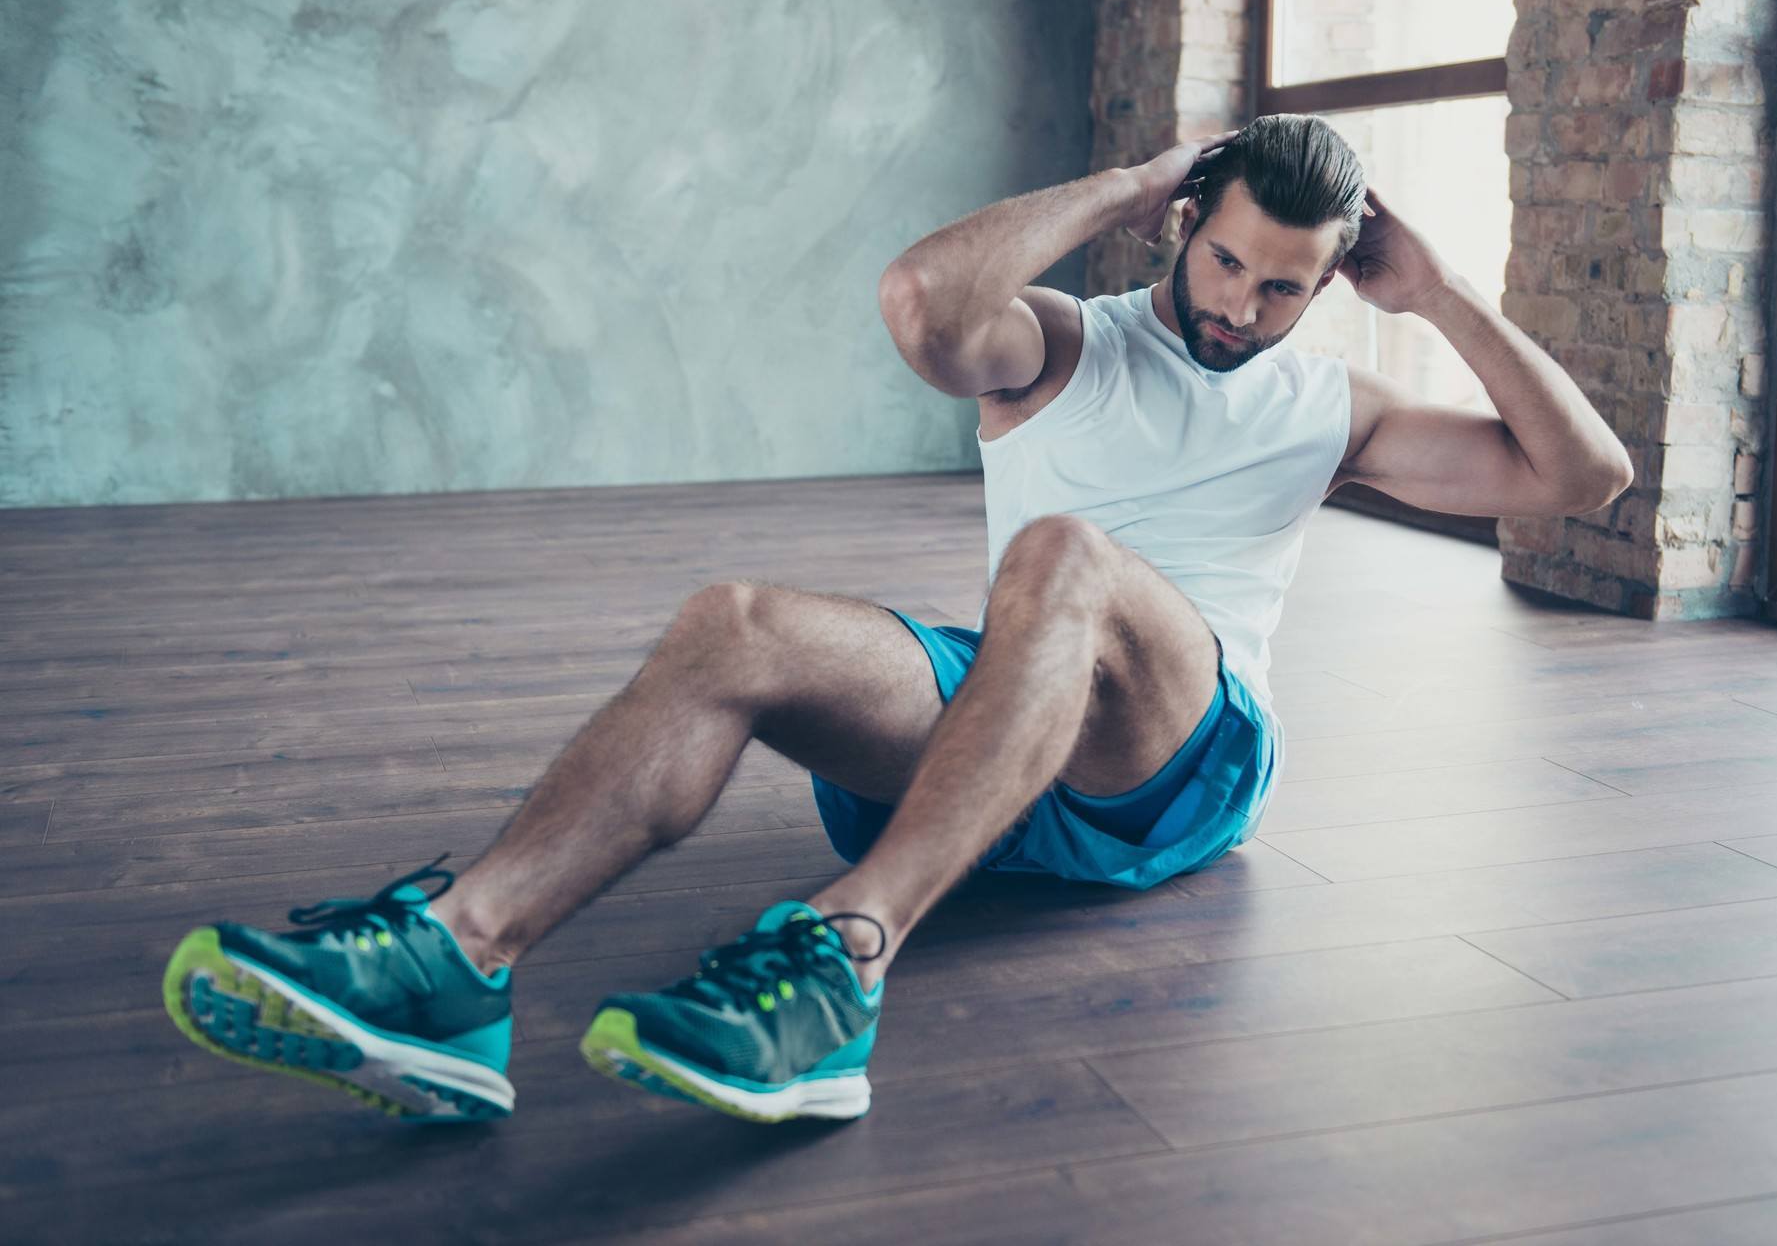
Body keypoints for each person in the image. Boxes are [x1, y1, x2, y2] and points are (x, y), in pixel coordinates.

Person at [161, 114, 1633, 1126]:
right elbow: (923, 298)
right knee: (734, 621)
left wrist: (1436, 296)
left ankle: (836, 973)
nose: (1241, 307)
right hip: (1004, 731)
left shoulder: (1337, 407)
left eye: (1285, 289)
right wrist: (1125, 183)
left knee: (1065, 553)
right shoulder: (1061, 345)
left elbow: (1581, 475)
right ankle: (454, 965)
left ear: (1330, 287)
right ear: (1187, 224)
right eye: (1227, 261)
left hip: (1179, 764)